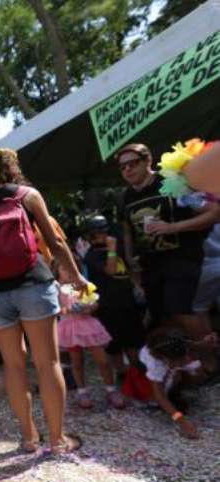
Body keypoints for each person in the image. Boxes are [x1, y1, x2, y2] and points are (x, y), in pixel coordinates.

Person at [0, 148, 87, 454]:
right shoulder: (27, 195)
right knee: (48, 362)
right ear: (13, 169)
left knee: (14, 366)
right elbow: (54, 241)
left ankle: (28, 438)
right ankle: (57, 440)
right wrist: (76, 276)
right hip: (32, 283)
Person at [117, 142, 220, 340]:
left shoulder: (172, 184)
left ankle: (211, 360)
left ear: (148, 161)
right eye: (123, 167)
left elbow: (214, 213)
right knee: (163, 316)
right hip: (150, 264)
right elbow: (127, 230)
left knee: (181, 311)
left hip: (183, 258)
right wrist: (130, 258)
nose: (128, 169)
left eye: (133, 163)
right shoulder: (125, 197)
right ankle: (190, 363)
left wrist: (172, 227)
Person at [55, 259, 125, 409]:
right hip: (70, 329)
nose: (68, 272)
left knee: (103, 361)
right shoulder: (55, 288)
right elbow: (55, 308)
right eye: (64, 268)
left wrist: (89, 308)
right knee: (77, 362)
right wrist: (66, 309)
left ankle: (111, 390)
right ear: (57, 270)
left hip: (88, 326)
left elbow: (95, 302)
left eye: (71, 268)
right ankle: (82, 392)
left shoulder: (83, 285)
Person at [82, 215, 145, 379]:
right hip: (109, 307)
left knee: (134, 340)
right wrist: (111, 250)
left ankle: (138, 373)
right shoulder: (92, 255)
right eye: (97, 233)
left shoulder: (115, 249)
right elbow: (110, 271)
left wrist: (136, 284)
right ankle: (122, 374)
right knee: (114, 344)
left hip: (127, 302)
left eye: (104, 231)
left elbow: (126, 269)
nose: (102, 236)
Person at [138, 328, 207, 439]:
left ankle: (176, 385)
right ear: (165, 358)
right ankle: (169, 396)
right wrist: (182, 421)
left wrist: (203, 344)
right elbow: (159, 396)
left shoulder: (176, 344)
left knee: (197, 371)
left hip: (168, 366)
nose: (186, 359)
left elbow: (190, 345)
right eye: (180, 360)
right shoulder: (156, 365)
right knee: (172, 381)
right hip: (146, 380)